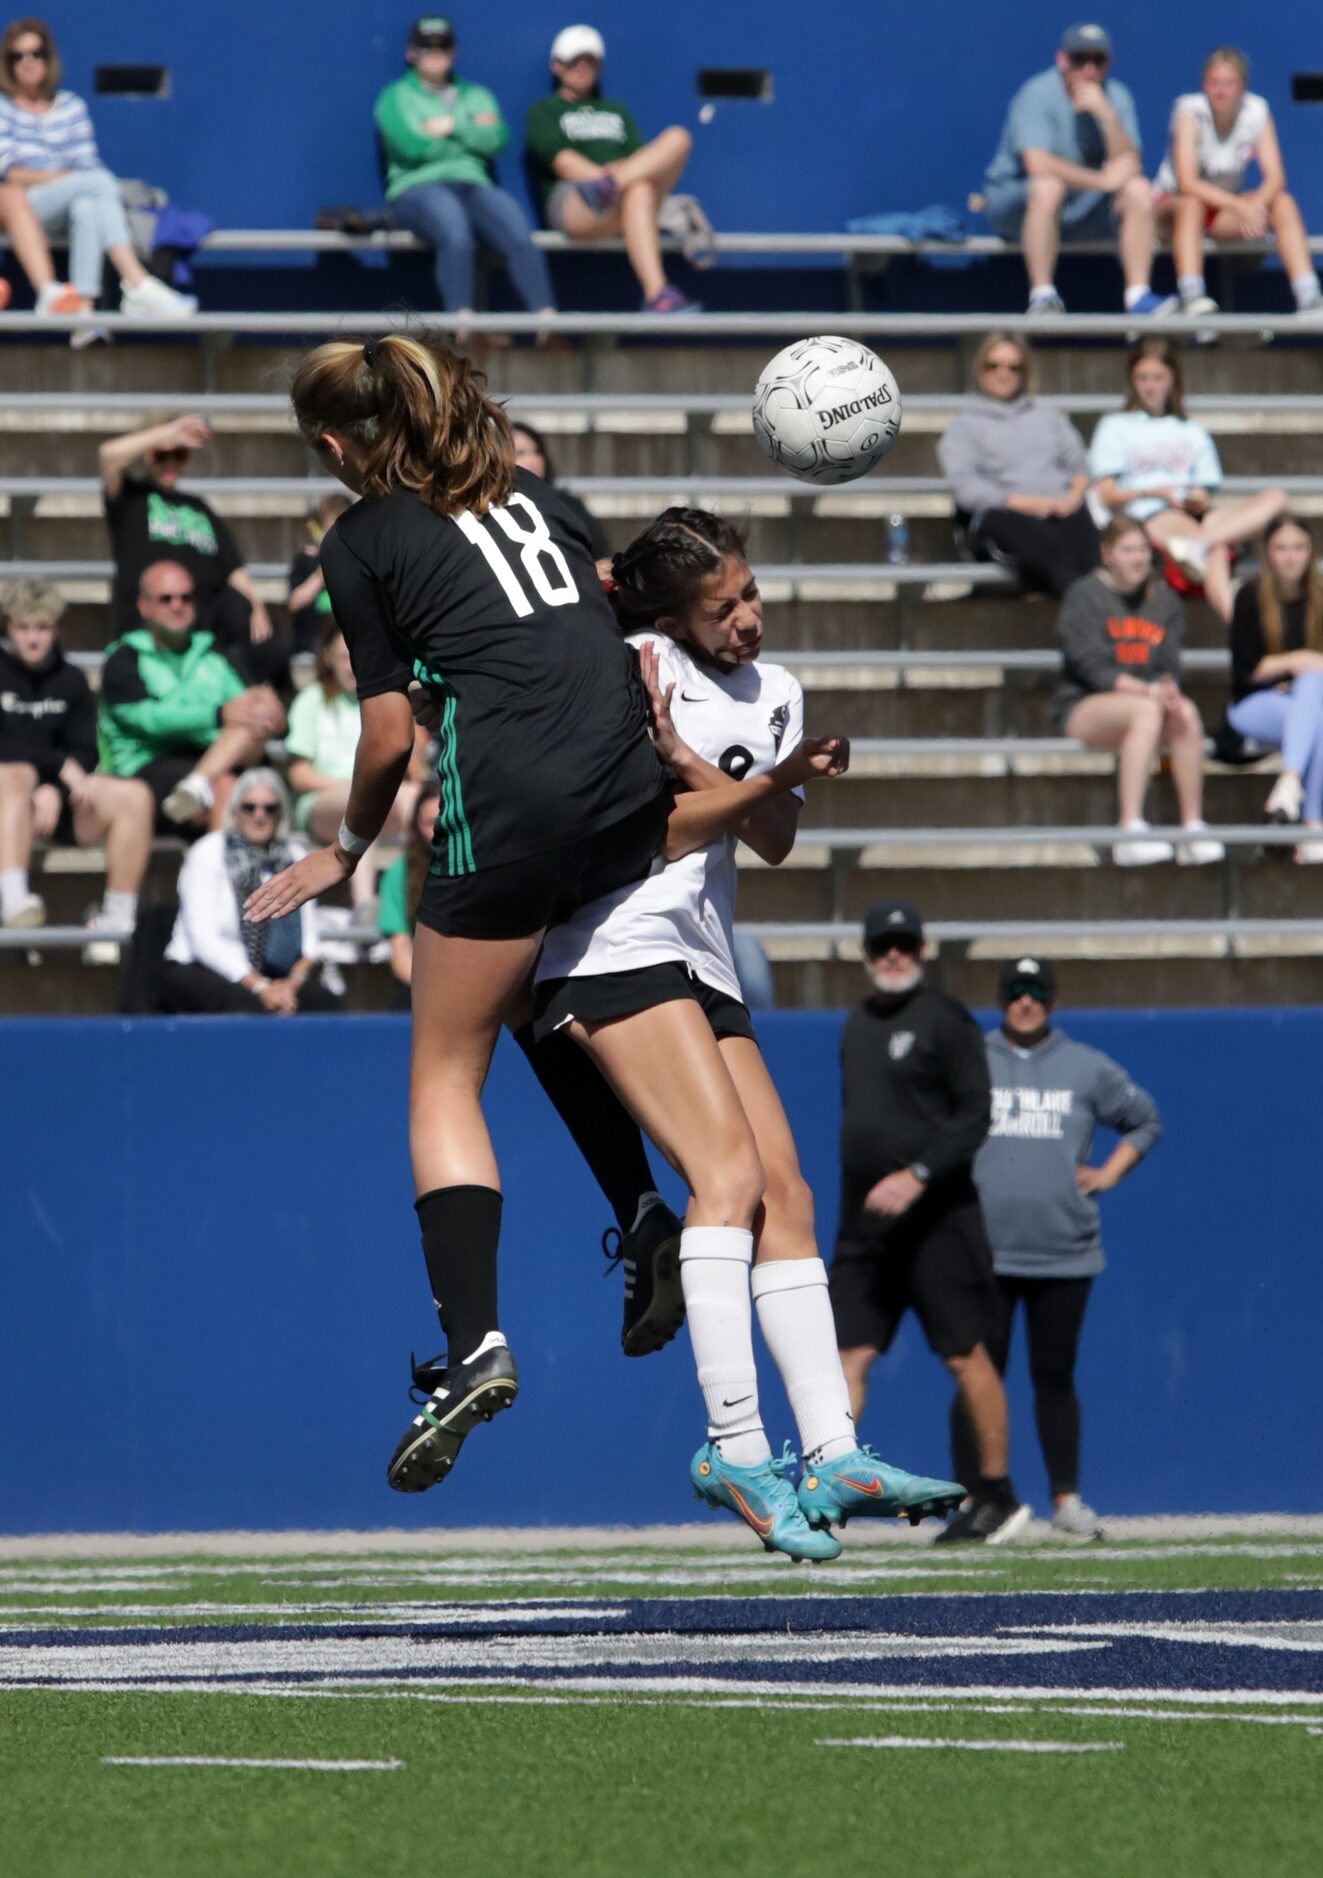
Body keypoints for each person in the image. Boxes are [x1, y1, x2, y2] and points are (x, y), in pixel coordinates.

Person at [243, 333, 823, 1508]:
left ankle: (474, 1347)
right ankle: (644, 1212)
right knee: (539, 994)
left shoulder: (359, 537)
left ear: (336, 443)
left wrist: (345, 849)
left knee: (443, 1072)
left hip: (506, 816)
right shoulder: (536, 497)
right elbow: (611, 610)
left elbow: (394, 737)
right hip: (625, 808)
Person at [529, 510, 965, 1556]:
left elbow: (772, 837)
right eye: (723, 608)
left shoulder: (775, 695)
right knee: (725, 1180)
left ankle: (834, 1451)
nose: (749, 619)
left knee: (789, 1194)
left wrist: (726, 766)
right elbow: (645, 825)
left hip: (703, 950)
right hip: (614, 936)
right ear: (671, 616)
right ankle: (733, 1445)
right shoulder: (628, 664)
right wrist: (694, 757)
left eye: (753, 596)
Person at [830, 898, 1029, 1547]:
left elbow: (975, 1114)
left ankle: (995, 1493)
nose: (893, 955)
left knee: (964, 1355)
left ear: (920, 951)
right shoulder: (857, 1023)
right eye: (883, 945)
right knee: (844, 1356)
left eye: (904, 945)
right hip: (866, 1229)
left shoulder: (944, 1020)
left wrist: (916, 1173)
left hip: (938, 1220)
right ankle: (831, 1488)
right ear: (866, 953)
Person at [967, 956, 1162, 1538]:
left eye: (1036, 992)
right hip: (987, 1250)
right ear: (1001, 998)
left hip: (1064, 1250)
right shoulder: (973, 1060)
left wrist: (1109, 1173)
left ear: (1052, 1000)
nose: (1025, 1001)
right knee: (981, 1377)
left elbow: (1144, 1120)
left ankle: (1065, 1499)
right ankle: (982, 1499)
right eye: (1015, 991)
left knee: (1054, 1377)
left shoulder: (1085, 1066)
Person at [0, 16, 195, 321]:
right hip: (23, 209)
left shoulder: (71, 106)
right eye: (17, 56)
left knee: (89, 206)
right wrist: (63, 179)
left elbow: (86, 164)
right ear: (8, 63)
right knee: (100, 182)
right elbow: (9, 173)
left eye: (35, 53)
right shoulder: (3, 108)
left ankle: (84, 315)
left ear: (48, 57)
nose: (27, 62)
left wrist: (71, 181)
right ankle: (137, 283)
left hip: (67, 205)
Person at [1055, 516, 1224, 865]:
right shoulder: (1084, 596)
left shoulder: (1165, 600)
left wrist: (1167, 688)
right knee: (1145, 711)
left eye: (1143, 550)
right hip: (1086, 706)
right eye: (1128, 550)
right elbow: (1091, 667)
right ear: (1107, 554)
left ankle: (1192, 827)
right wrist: (1147, 692)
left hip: (1147, 699)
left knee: (1187, 712)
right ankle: (1129, 827)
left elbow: (1168, 662)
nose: (1137, 558)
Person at [375, 16, 556, 335]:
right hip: (416, 188)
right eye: (426, 45)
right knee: (455, 231)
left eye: (442, 44)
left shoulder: (477, 94)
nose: (435, 51)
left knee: (517, 228)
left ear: (454, 50)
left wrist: (450, 127)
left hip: (473, 184)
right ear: (411, 53)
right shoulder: (394, 97)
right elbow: (410, 146)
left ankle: (547, 323)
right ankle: (463, 326)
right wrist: (471, 133)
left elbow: (497, 139)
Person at [1089, 338, 1288, 622]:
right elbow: (1107, 494)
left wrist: (1194, 499)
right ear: (1132, 381)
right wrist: (1155, 492)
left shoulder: (1190, 429)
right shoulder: (1115, 426)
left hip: (1192, 516)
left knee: (1276, 498)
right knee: (1217, 551)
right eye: (1142, 377)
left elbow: (1203, 487)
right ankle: (1239, 624)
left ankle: (1202, 548)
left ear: (1173, 380)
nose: (1150, 386)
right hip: (1147, 513)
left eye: (1158, 377)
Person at [982, 22, 1172, 318]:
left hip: (1083, 210)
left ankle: (1138, 298)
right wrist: (1101, 181)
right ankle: (1042, 297)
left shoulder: (1116, 96)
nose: (1089, 70)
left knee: (1138, 190)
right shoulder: (1037, 93)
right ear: (1062, 60)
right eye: (1079, 60)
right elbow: (1038, 164)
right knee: (1048, 187)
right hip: (1019, 207)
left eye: (1097, 61)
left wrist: (1107, 117)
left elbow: (1129, 164)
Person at [0, 576, 152, 939]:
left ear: (56, 629)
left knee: (135, 796)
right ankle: (13, 899)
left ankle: (119, 914)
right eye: (23, 627)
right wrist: (53, 767)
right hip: (7, 798)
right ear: (8, 628)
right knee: (15, 774)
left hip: (59, 804)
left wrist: (52, 787)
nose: (33, 637)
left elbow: (83, 750)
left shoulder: (71, 679)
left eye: (42, 627)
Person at [99, 413, 285, 686]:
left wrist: (255, 607)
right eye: (162, 456)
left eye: (179, 455)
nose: (171, 463)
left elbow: (233, 567)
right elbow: (107, 455)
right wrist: (165, 434)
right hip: (150, 624)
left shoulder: (199, 507)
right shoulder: (131, 498)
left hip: (203, 625)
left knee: (268, 645)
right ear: (148, 456)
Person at [99, 561, 286, 831]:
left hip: (210, 759)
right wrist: (218, 714)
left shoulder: (214, 654)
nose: (177, 605)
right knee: (228, 784)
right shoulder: (124, 658)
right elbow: (149, 721)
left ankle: (197, 783)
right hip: (147, 766)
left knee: (254, 722)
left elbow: (246, 708)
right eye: (166, 599)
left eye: (186, 597)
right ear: (144, 605)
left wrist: (271, 713)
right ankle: (223, 868)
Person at [525, 24, 699, 314]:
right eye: (573, 60)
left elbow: (642, 160)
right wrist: (602, 178)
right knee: (637, 186)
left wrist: (616, 178)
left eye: (590, 60)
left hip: (624, 193)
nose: (582, 67)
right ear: (556, 65)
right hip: (574, 198)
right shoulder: (544, 111)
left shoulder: (617, 110)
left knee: (678, 138)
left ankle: (658, 296)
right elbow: (562, 161)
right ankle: (657, 292)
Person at [1154, 47, 1322, 321]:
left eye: (1228, 84)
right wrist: (1239, 206)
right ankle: (1192, 296)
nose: (1220, 92)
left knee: (1283, 203)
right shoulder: (1189, 112)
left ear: (1242, 86)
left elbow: (1276, 178)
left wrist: (1254, 206)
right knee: (1191, 204)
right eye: (1214, 83)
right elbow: (1187, 183)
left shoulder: (1257, 111)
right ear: (1204, 84)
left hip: (1219, 213)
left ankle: (1309, 296)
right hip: (1170, 211)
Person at [158, 769, 341, 1015]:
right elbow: (204, 940)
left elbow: (309, 938)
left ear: (281, 813)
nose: (259, 816)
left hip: (278, 974)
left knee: (326, 1005)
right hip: (202, 968)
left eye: (269, 808)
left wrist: (291, 985)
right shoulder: (209, 852)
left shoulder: (294, 856)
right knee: (247, 1007)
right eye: (249, 807)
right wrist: (260, 987)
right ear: (235, 811)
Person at [938, 331, 1099, 595]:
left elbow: (1079, 466)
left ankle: (1095, 611)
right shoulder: (965, 426)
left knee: (1086, 542)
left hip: (1059, 506)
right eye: (994, 366)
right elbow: (966, 487)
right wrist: (1022, 503)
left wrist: (1073, 496)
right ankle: (1086, 611)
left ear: (1025, 372)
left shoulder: (1048, 416)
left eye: (1014, 367)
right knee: (1049, 547)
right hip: (1001, 512)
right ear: (980, 370)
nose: (1004, 373)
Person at [286, 621, 418, 916]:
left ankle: (425, 892)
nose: (349, 666)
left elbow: (411, 770)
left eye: (354, 656)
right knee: (361, 804)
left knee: (416, 800)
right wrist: (356, 788)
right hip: (323, 804)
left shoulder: (385, 703)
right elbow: (298, 775)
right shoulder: (312, 700)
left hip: (375, 797)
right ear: (328, 659)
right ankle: (364, 906)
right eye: (342, 657)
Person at [1227, 513, 1323, 864]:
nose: (1291, 556)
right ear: (1267, 553)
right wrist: (1298, 659)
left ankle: (1292, 790)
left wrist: (1302, 670)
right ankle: (1312, 822)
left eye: (1299, 547)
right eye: (1281, 548)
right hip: (1255, 703)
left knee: (1317, 706)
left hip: (1307, 706)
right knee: (1314, 692)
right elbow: (1249, 670)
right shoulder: (1249, 597)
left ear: (1310, 551)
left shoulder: (1320, 598)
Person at [379, 782, 442, 1006]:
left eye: (443, 821)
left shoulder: (481, 869)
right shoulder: (400, 873)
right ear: (415, 826)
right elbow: (401, 949)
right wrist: (431, 991)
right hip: (426, 982)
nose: (437, 830)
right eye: (429, 823)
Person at [511, 420, 607, 560]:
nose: (533, 460)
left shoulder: (568, 505)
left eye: (537, 451)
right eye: (520, 453)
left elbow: (602, 556)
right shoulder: (493, 509)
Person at [287, 495, 354, 658]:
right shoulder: (305, 561)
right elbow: (294, 603)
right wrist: (322, 573)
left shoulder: (356, 560)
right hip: (314, 641)